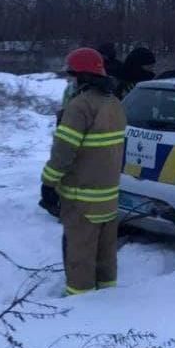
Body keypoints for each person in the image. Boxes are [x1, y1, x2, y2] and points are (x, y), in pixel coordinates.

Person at [40, 47, 126, 295]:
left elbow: (63, 152)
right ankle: (108, 298)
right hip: (109, 198)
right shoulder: (115, 104)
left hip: (81, 199)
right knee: (106, 257)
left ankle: (80, 311)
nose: (71, 81)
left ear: (82, 77)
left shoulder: (79, 106)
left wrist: (48, 184)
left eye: (72, 76)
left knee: (80, 259)